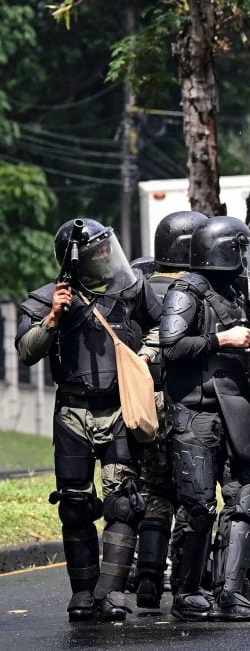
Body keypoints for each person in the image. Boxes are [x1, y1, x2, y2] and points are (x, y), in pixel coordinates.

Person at [16, 219, 162, 621]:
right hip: (72, 415)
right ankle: (82, 594)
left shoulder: (132, 288)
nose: (103, 256)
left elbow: (162, 328)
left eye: (105, 248)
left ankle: (111, 593)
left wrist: (145, 356)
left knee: (124, 502)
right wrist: (53, 318)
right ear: (74, 261)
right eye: (94, 252)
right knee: (75, 505)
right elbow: (27, 352)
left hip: (118, 409)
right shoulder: (48, 298)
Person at [160, 216, 250, 622]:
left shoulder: (242, 291)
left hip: (239, 407)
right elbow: (170, 348)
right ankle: (188, 592)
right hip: (195, 412)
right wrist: (219, 340)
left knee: (246, 498)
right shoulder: (186, 290)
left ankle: (230, 591)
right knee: (197, 506)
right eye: (240, 250)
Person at [133, 210, 207, 610]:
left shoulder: (140, 284)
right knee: (193, 494)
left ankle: (147, 577)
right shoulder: (198, 290)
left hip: (145, 402)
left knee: (154, 488)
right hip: (186, 402)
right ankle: (187, 582)